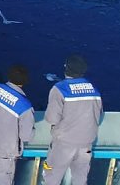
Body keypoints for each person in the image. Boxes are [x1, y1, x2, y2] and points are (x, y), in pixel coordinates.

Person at [43, 54, 103, 185]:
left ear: (66, 68)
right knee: (80, 179)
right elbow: (98, 116)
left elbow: (52, 118)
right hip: (86, 144)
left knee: (51, 177)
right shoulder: (94, 90)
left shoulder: (59, 89)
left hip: (63, 144)